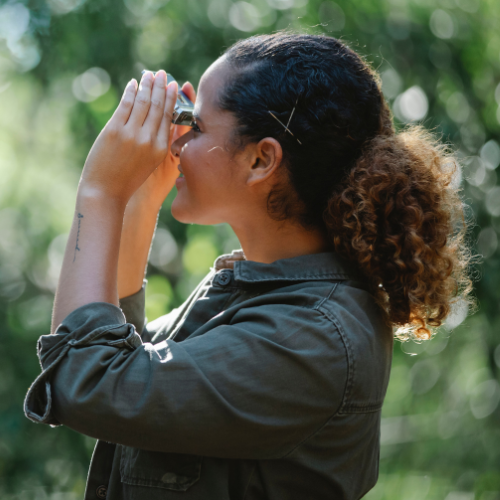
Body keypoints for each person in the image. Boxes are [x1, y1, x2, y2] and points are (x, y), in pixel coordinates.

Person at [24, 32, 473, 500]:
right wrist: (138, 203)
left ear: (261, 160)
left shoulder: (313, 335)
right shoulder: (262, 291)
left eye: (193, 128)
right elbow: (128, 366)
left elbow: (88, 381)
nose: (176, 145)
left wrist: (101, 192)